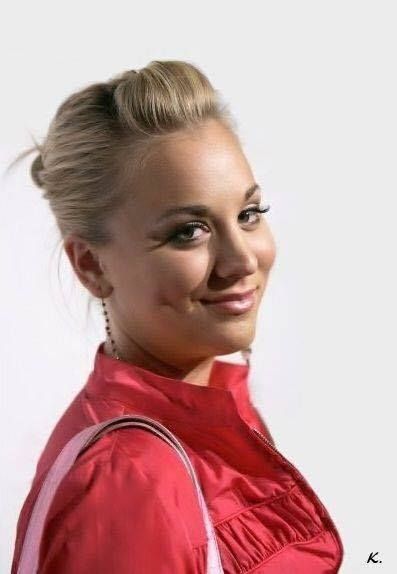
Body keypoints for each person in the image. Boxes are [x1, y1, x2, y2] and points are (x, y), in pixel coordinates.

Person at [10, 61, 344, 573]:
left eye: (248, 215)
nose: (242, 260)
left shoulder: (208, 416)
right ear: (92, 265)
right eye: (189, 231)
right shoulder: (131, 477)